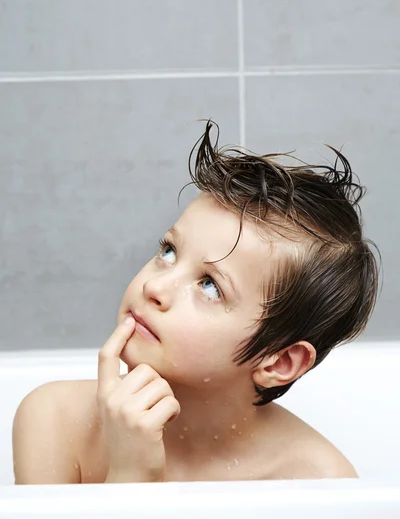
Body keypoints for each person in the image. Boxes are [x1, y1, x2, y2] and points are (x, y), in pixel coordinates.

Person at [12, 120, 380, 484]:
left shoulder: (313, 481)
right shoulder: (54, 420)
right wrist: (130, 474)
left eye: (209, 286)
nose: (156, 286)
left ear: (279, 360)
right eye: (169, 251)